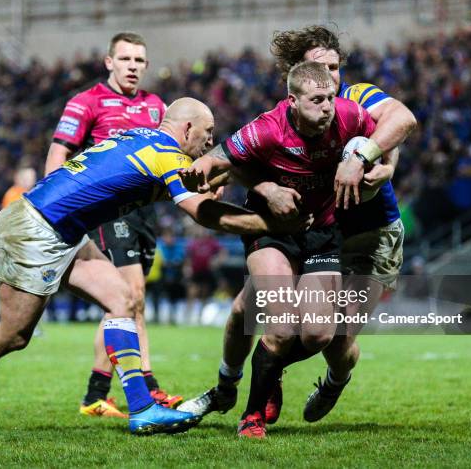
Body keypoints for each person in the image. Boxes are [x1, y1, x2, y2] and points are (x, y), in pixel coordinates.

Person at [0, 98, 289, 436]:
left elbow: (176, 180)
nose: (209, 143)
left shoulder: (143, 138)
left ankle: (142, 409)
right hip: (36, 228)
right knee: (13, 335)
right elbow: (204, 215)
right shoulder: (166, 154)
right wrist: (272, 225)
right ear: (187, 128)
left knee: (122, 299)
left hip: (65, 229)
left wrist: (219, 178)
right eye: (207, 134)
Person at [178, 25, 416, 436]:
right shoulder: (279, 119)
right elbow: (234, 157)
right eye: (318, 68)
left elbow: (401, 119)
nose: (330, 76)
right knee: (246, 312)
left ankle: (327, 380)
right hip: (303, 229)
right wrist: (256, 185)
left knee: (333, 340)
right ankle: (231, 385)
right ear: (295, 75)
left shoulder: (355, 101)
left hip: (369, 234)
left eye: (335, 67)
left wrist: (367, 155)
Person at [47, 32, 181, 416]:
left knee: (120, 304)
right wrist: (55, 205)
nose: (133, 67)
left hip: (143, 212)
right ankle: (149, 387)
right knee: (133, 294)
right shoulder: (86, 102)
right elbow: (59, 152)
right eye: (125, 59)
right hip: (107, 210)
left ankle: (95, 394)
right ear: (109, 62)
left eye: (139, 61)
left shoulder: (157, 107)